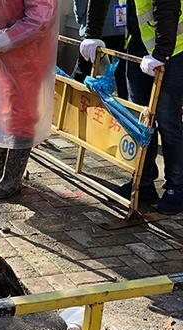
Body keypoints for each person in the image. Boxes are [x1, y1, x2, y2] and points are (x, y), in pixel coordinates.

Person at [80, 0, 183, 215]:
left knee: (167, 120)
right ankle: (143, 181)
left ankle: (177, 186)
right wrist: (92, 33)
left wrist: (161, 53)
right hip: (140, 42)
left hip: (175, 47)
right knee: (139, 119)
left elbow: (167, 5)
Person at [0, 0, 59, 199]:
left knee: (21, 115)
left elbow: (39, 19)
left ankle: (13, 178)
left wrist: (3, 39)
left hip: (27, 56)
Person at [73, 0, 128, 99]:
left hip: (93, 32)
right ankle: (123, 110)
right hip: (120, 25)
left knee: (82, 72)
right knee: (121, 75)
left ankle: (73, 103)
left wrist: (81, 18)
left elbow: (80, 4)